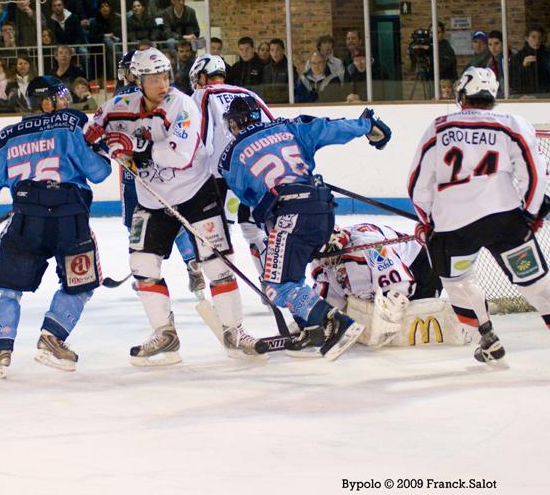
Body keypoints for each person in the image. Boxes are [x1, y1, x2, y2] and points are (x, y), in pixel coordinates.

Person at [86, 48, 263, 365]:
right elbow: (92, 130)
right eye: (154, 79)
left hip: (196, 193)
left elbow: (179, 156)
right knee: (142, 265)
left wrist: (132, 147)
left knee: (217, 264)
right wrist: (100, 143)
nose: (163, 84)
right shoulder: (119, 106)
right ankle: (164, 333)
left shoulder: (182, 105)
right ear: (138, 80)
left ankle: (235, 331)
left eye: (165, 76)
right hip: (152, 200)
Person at [218, 99, 392, 360]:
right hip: (323, 210)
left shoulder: (230, 155)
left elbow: (248, 197)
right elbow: (329, 128)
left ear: (234, 124)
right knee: (292, 276)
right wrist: (366, 125)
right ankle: (312, 329)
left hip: (290, 215)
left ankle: (335, 322)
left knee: (276, 287)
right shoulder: (288, 126)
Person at [0, 76, 111, 376]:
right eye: (60, 96)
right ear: (46, 102)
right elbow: (98, 172)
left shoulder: (9, 134)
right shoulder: (72, 125)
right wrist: (103, 151)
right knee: (82, 283)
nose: (66, 101)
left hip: (26, 217)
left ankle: (0, 349)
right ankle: (53, 337)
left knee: (8, 288)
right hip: (69, 218)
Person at [408, 67, 550, 366]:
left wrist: (428, 221)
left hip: (453, 228)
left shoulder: (439, 126)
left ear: (462, 95)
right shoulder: (511, 123)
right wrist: (531, 212)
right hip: (505, 223)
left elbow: (417, 183)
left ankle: (485, 338)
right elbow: (534, 173)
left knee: (457, 281)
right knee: (536, 284)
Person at [91, 49, 206, 301]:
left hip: (138, 173)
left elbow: (105, 133)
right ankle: (191, 262)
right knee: (173, 220)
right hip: (165, 171)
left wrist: (101, 144)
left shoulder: (125, 96)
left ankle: (146, 271)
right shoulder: (163, 96)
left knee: (139, 225)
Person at [189, 53, 274, 278]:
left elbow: (202, 139)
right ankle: (271, 282)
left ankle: (224, 283)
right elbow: (275, 129)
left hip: (221, 177)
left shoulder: (202, 95)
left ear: (202, 76)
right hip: (257, 175)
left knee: (219, 232)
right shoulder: (249, 94)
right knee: (253, 228)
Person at [311, 226, 467, 349]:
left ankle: (465, 322)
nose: (324, 262)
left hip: (421, 267)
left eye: (329, 256)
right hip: (388, 267)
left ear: (339, 246)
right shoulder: (321, 256)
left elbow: (401, 289)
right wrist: (320, 318)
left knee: (412, 313)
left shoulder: (369, 247)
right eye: (321, 258)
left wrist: (385, 312)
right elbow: (330, 296)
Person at [510, 25, 550, 96]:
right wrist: (524, 66)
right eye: (533, 37)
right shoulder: (517, 57)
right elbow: (513, 83)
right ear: (527, 38)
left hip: (545, 96)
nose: (537, 40)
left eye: (539, 37)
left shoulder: (547, 55)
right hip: (525, 97)